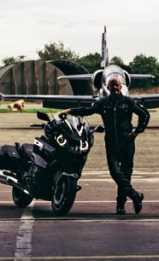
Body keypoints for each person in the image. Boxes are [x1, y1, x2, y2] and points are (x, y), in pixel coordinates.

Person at [62, 77, 150, 214]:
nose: (115, 88)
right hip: (111, 144)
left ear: (121, 87)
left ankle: (120, 206)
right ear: (108, 87)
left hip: (127, 143)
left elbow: (144, 114)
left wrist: (137, 132)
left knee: (126, 175)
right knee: (115, 173)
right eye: (112, 85)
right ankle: (135, 196)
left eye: (117, 86)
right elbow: (87, 110)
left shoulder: (128, 102)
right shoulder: (103, 103)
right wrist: (70, 111)